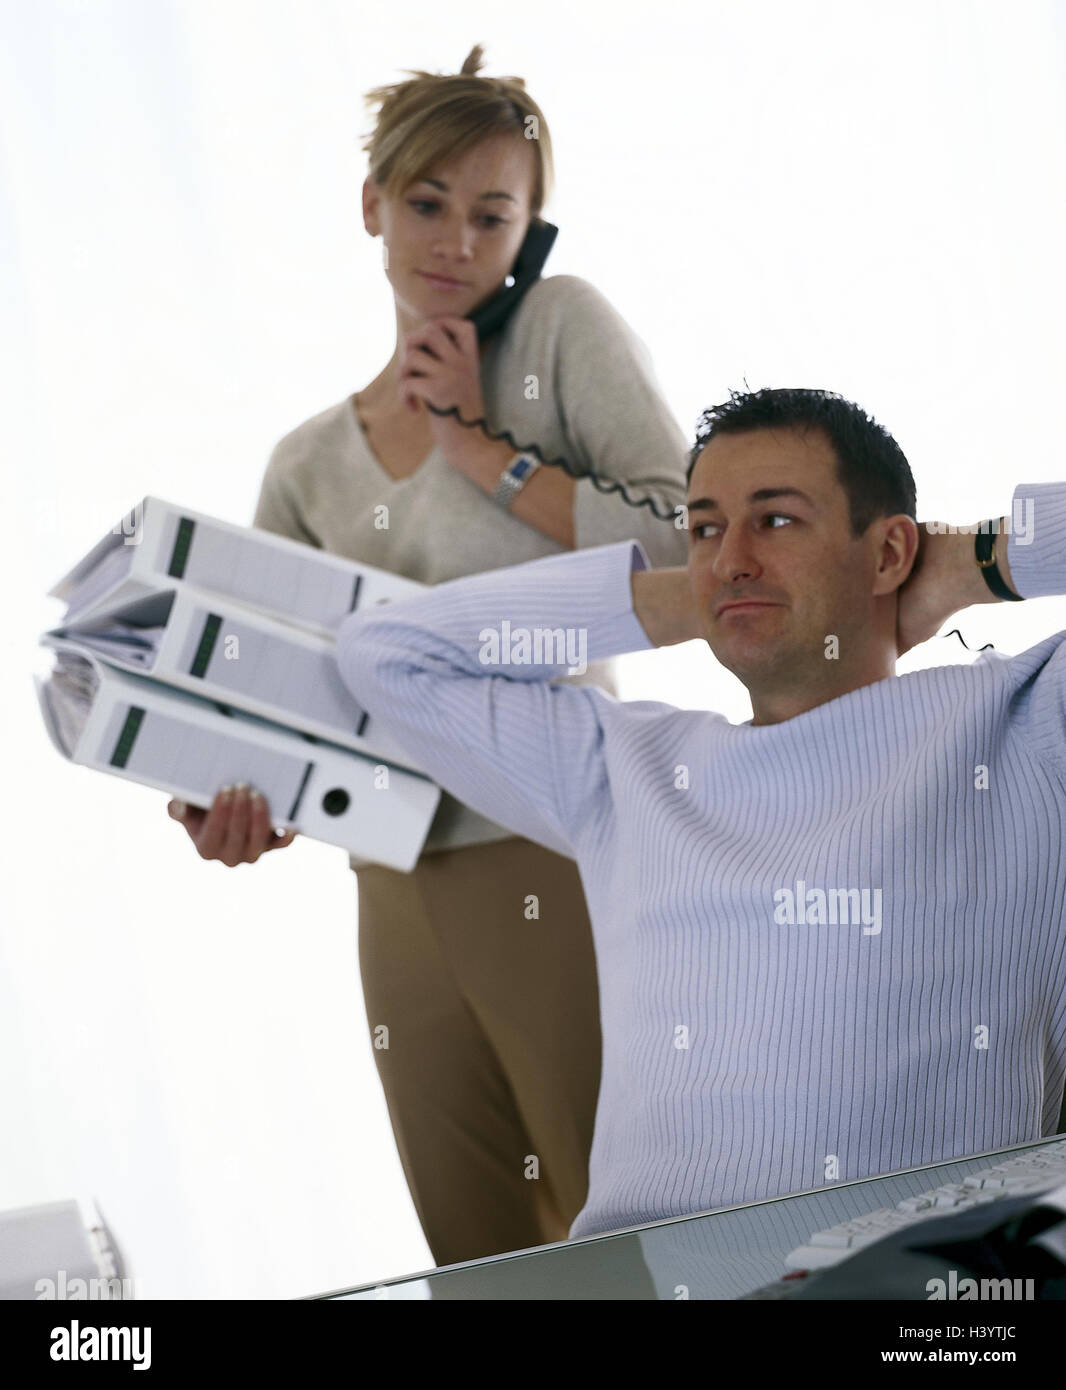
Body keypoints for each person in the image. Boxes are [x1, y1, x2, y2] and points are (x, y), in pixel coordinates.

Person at [166, 45, 690, 1266]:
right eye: (426, 204)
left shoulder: (559, 333)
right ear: (372, 208)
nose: (456, 241)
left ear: (531, 230)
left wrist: (480, 448)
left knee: (625, 1223)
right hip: (391, 875)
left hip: (553, 836)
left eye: (492, 214)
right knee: (481, 1255)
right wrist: (228, 794)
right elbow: (273, 698)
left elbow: (682, 542)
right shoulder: (308, 463)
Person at [333, 385, 1066, 1240]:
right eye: (707, 528)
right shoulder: (623, 768)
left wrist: (979, 562)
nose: (732, 556)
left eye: (777, 521)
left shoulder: (1025, 722)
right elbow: (386, 655)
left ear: (889, 552)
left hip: (910, 1285)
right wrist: (695, 600)